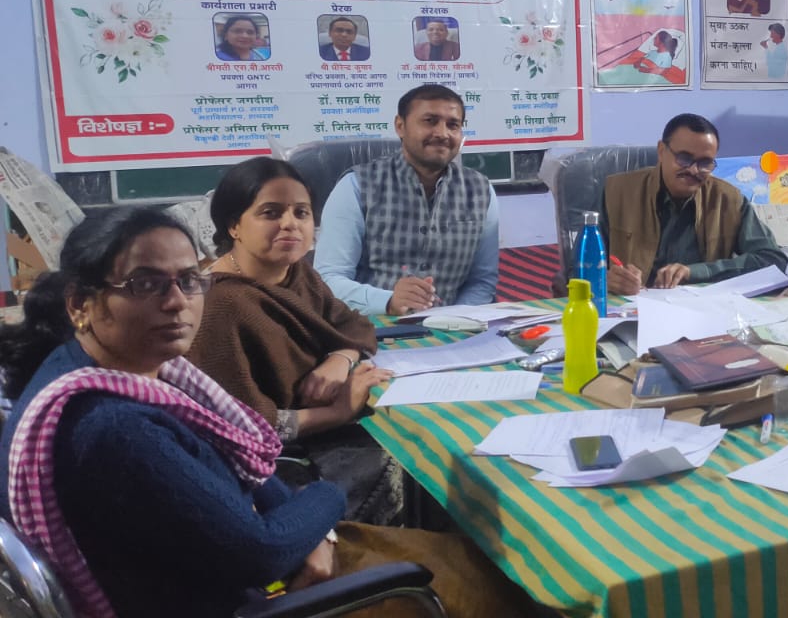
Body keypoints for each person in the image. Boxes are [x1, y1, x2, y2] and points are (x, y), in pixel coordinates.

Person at [0, 207, 539, 618]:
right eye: (145, 284)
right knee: (505, 584)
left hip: (235, 554)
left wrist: (314, 533)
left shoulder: (96, 369)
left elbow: (247, 470)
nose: (176, 301)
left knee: (465, 551)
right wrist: (324, 499)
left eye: (188, 280)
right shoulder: (113, 427)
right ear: (81, 303)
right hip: (244, 599)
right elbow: (261, 552)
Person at [188, 157, 401, 525]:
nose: (290, 224)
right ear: (234, 225)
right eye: (271, 212)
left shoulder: (296, 273)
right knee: (408, 465)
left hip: (323, 430)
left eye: (301, 212)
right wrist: (338, 412)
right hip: (269, 466)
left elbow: (353, 325)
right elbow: (245, 427)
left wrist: (339, 360)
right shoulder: (219, 304)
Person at [315, 84, 499, 315]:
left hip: (455, 325)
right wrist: (388, 301)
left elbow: (482, 281)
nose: (442, 133)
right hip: (371, 324)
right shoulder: (356, 186)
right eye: (430, 121)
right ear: (400, 126)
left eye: (453, 125)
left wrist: (456, 318)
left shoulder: (480, 191)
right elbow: (327, 279)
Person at [600, 113, 786, 294]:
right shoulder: (616, 192)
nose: (694, 170)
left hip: (701, 307)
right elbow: (585, 267)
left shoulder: (728, 200)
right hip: (632, 306)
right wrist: (606, 279)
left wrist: (697, 272)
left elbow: (772, 259)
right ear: (661, 151)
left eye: (705, 163)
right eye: (684, 158)